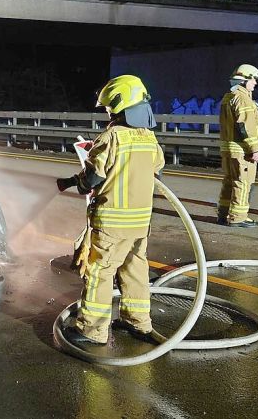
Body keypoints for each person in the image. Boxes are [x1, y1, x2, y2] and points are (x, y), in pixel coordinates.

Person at [55, 74, 165, 345]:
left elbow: (91, 180)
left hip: (112, 223)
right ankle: (138, 322)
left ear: (120, 106)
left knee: (99, 273)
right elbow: (157, 169)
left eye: (109, 108)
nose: (107, 112)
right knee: (134, 269)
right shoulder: (149, 138)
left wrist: (77, 181)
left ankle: (91, 330)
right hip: (140, 224)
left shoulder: (111, 137)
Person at [217, 64, 258, 228]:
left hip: (229, 149)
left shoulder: (228, 96)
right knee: (243, 183)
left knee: (229, 181)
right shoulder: (243, 98)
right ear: (244, 80)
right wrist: (256, 149)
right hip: (242, 150)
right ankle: (238, 217)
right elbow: (246, 126)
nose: (255, 83)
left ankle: (223, 214)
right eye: (253, 80)